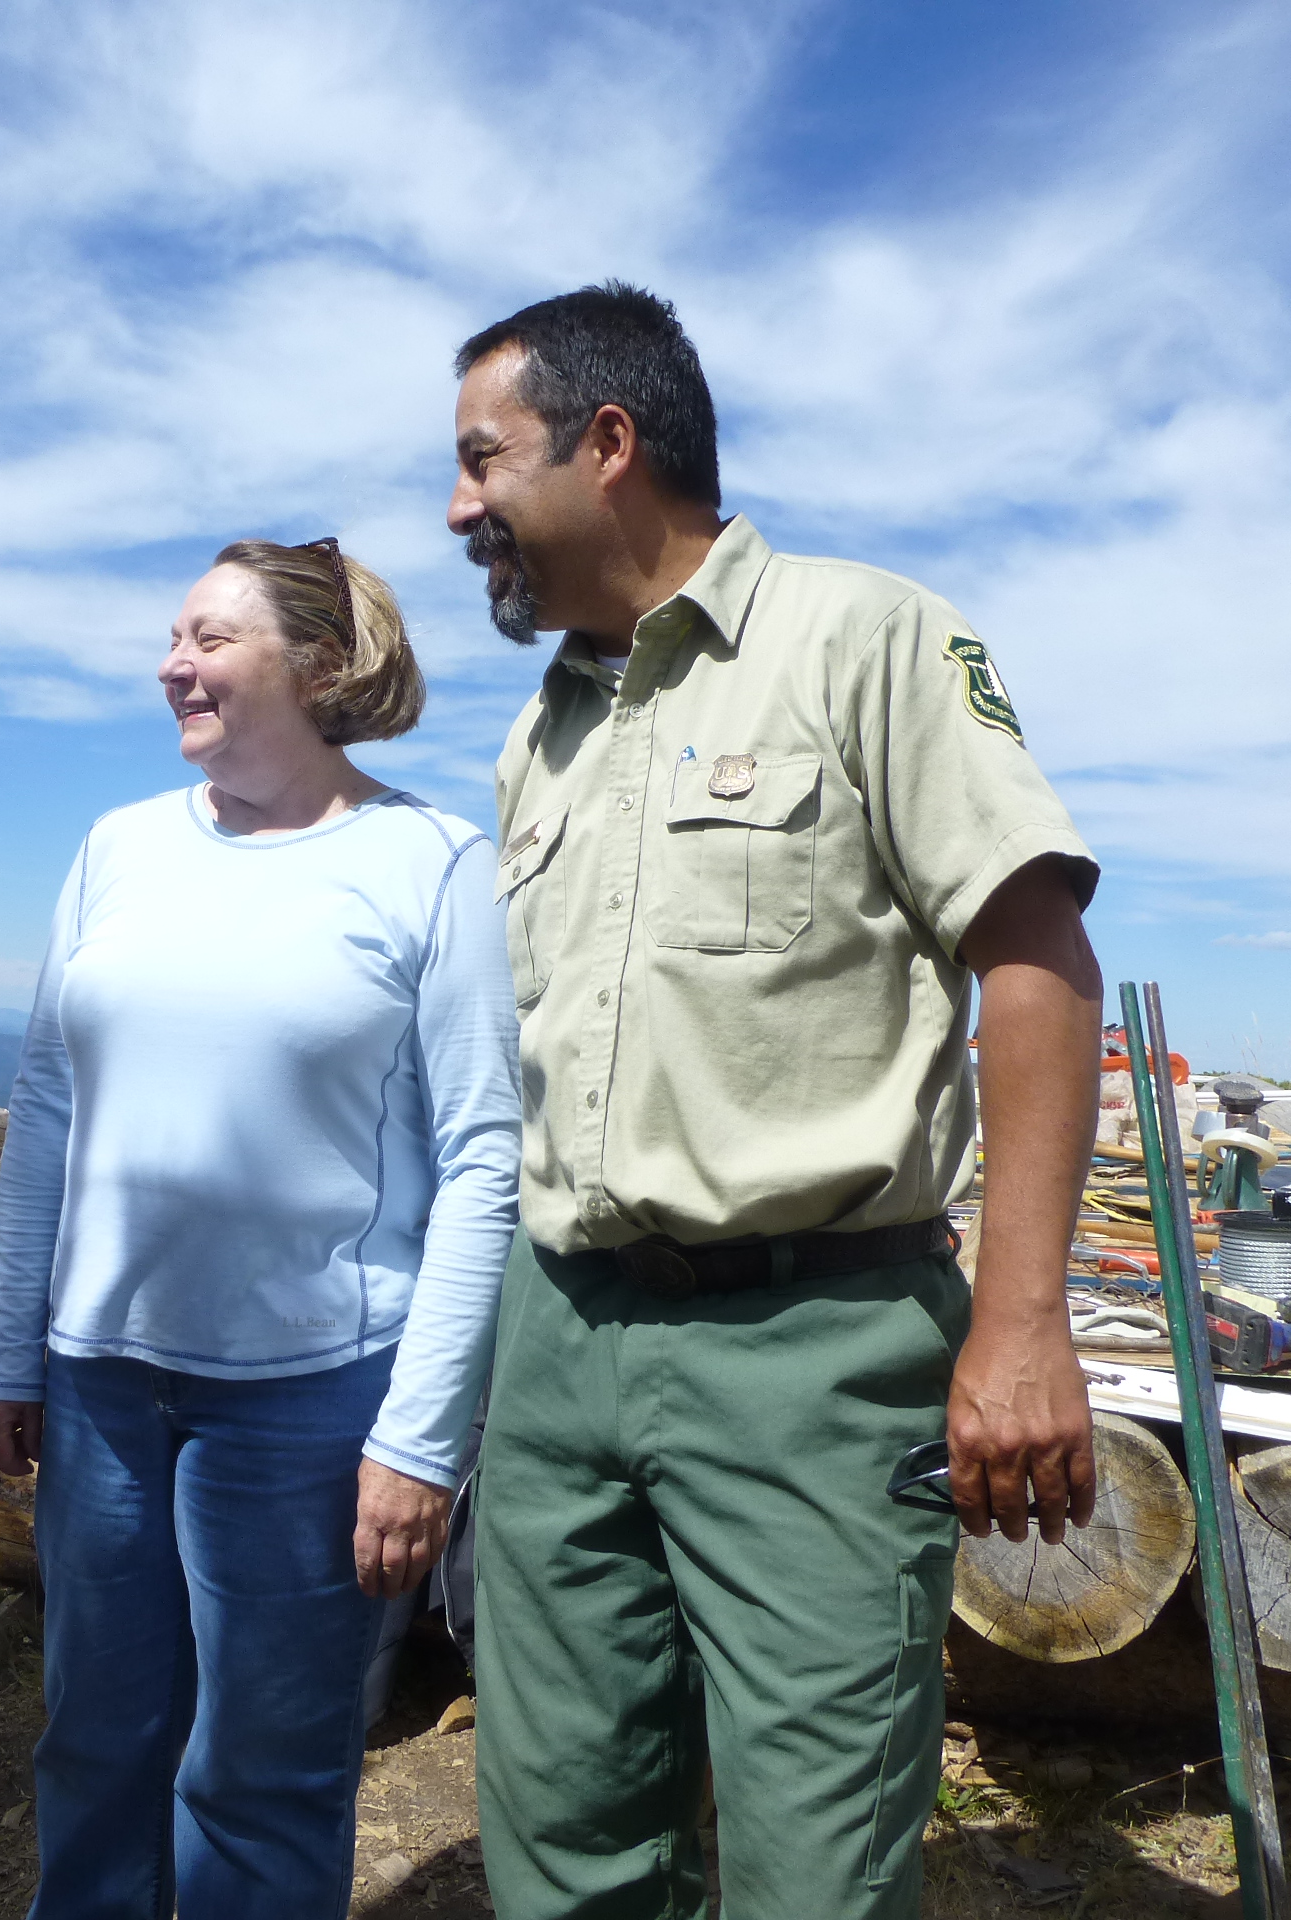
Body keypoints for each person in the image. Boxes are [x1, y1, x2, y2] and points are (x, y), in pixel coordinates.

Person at [447, 283, 1103, 1920]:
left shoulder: (865, 638)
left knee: (817, 1871)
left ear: (608, 443)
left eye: (481, 458)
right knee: (563, 1841)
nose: (460, 509)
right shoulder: (543, 737)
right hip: (561, 1336)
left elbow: (1036, 962)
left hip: (810, 1353)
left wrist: (1023, 1322)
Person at [0, 536, 521, 1919]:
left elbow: (484, 1160)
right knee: (95, 1742)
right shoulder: (118, 847)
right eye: (174, 637)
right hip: (101, 1382)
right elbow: (47, 1103)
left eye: (211, 639)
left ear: (320, 666)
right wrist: (11, 1345)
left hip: (311, 1397)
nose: (174, 665)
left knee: (264, 1774)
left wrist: (421, 1437)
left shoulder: (430, 863)